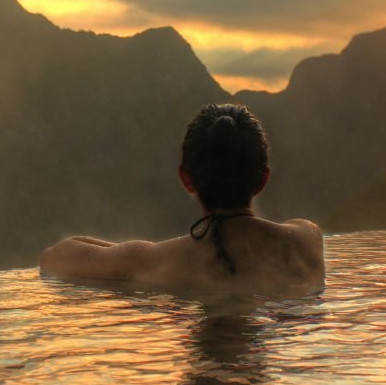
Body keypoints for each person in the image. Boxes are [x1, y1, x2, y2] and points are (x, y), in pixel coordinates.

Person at [39, 104, 325, 291]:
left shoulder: (158, 262)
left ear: (185, 178)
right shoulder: (306, 239)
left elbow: (54, 256)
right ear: (262, 180)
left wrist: (129, 253)